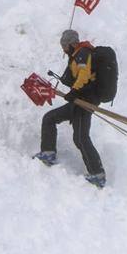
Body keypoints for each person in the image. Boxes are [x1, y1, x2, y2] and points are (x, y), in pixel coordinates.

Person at [33, 29, 107, 188]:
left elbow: (84, 75)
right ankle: (48, 153)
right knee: (50, 118)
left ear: (72, 43)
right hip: (80, 100)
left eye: (65, 46)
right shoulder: (77, 54)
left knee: (81, 138)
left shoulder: (83, 53)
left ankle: (98, 174)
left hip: (85, 100)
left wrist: (74, 92)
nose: (64, 49)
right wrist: (73, 93)